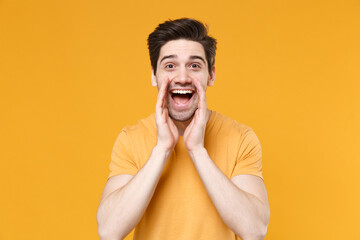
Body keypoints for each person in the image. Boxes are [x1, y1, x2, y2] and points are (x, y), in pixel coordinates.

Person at [96, 18, 270, 240]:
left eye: (194, 65)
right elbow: (109, 231)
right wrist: (161, 149)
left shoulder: (241, 138)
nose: (182, 78)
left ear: (211, 75)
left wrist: (197, 150)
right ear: (153, 75)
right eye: (170, 66)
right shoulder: (130, 139)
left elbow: (255, 230)